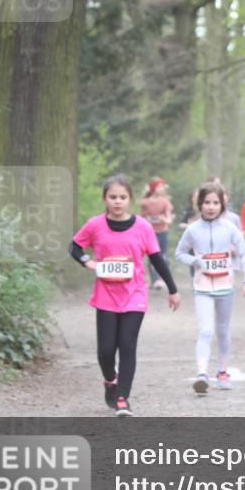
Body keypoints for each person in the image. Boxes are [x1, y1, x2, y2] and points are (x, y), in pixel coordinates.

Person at [70, 175, 180, 417]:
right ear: (105, 199)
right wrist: (87, 262)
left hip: (134, 294)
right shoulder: (95, 225)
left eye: (122, 197)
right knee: (106, 350)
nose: (117, 201)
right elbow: (74, 246)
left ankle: (122, 398)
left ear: (130, 199)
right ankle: (110, 379)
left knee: (127, 345)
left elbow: (156, 259)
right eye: (113, 197)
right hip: (106, 296)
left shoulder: (143, 226)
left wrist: (172, 289)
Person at [175, 183, 245, 392]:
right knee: (205, 330)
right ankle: (202, 373)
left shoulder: (229, 228)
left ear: (222, 205)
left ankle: (222, 371)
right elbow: (179, 253)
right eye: (207, 203)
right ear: (199, 204)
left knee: (222, 330)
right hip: (202, 287)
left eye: (215, 203)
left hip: (225, 287)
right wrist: (196, 261)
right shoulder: (193, 230)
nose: (211, 207)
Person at [139, 177, 174, 290]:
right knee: (152, 255)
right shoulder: (145, 202)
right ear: (153, 188)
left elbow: (169, 219)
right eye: (159, 186)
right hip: (150, 233)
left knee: (163, 255)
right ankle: (155, 280)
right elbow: (141, 217)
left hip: (162, 231)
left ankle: (163, 278)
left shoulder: (165, 202)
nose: (161, 188)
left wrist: (163, 219)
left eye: (162, 186)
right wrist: (147, 220)